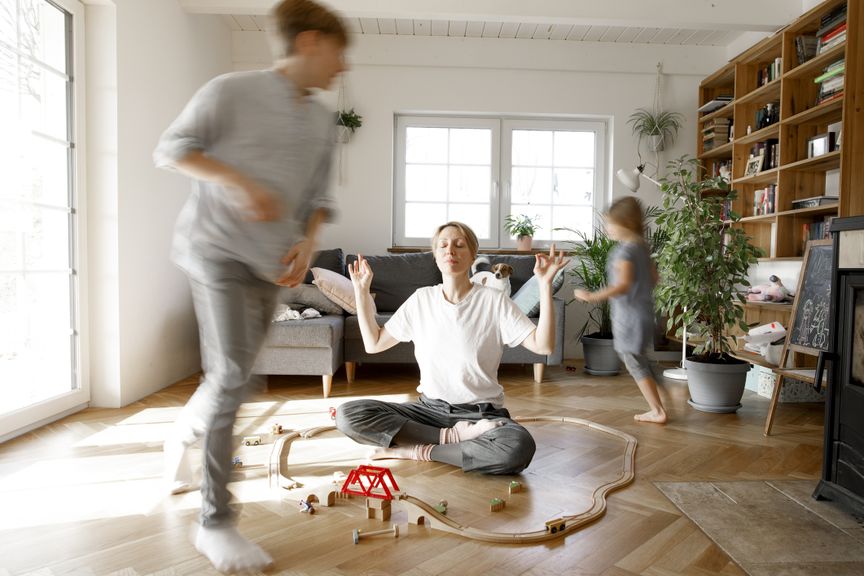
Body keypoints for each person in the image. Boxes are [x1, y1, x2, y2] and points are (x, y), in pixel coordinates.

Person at [152, 0, 348, 571]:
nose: (343, 68)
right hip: (214, 251)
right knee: (237, 376)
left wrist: (309, 242)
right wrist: (236, 183)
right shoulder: (229, 90)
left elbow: (319, 200)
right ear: (310, 42)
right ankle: (215, 523)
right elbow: (171, 149)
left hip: (272, 266)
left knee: (231, 378)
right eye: (339, 53)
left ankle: (182, 432)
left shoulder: (321, 121)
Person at [336, 222, 568, 474]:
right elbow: (374, 344)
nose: (451, 250)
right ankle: (449, 439)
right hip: (428, 411)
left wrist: (545, 285)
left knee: (517, 447)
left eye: (459, 245)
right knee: (349, 414)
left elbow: (543, 345)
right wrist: (361, 292)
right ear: (435, 256)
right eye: (443, 245)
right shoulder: (421, 299)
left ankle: (418, 450)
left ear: (472, 256)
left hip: (481, 416)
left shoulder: (494, 301)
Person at [574, 197, 667, 424]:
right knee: (640, 358)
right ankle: (664, 393)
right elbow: (655, 278)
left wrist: (590, 296)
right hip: (644, 312)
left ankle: (658, 411)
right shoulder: (642, 248)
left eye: (610, 224)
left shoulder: (625, 252)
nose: (607, 228)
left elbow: (622, 285)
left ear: (625, 223)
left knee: (633, 360)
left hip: (630, 316)